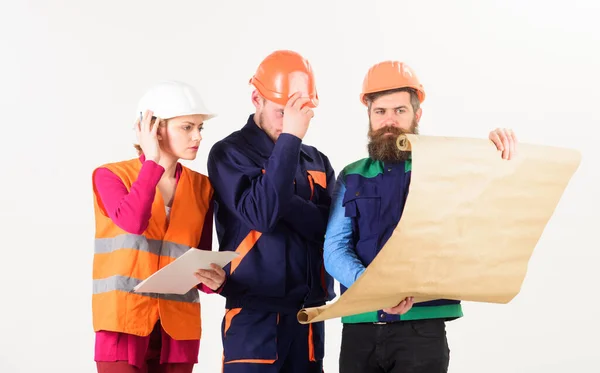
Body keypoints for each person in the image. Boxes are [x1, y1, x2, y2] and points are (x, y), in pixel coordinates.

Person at [323, 61, 519, 373]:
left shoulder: (445, 167)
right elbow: (334, 249)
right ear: (369, 115)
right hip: (360, 330)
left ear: (417, 114)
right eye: (381, 111)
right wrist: (373, 290)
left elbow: (488, 207)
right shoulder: (352, 175)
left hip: (422, 330)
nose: (390, 121)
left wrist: (496, 149)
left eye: (400, 110)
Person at [206, 50, 336, 373]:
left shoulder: (317, 162)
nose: (288, 123)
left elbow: (328, 231)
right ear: (256, 99)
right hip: (254, 320)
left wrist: (282, 199)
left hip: (308, 321)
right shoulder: (229, 154)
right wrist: (290, 139)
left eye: (298, 115)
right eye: (282, 113)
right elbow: (263, 214)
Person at [91, 80, 227, 373]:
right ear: (153, 128)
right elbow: (133, 222)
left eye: (199, 128)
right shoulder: (110, 176)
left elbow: (198, 257)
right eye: (187, 127)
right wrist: (152, 161)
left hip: (177, 332)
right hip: (123, 324)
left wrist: (214, 280)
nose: (197, 137)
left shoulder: (202, 187)